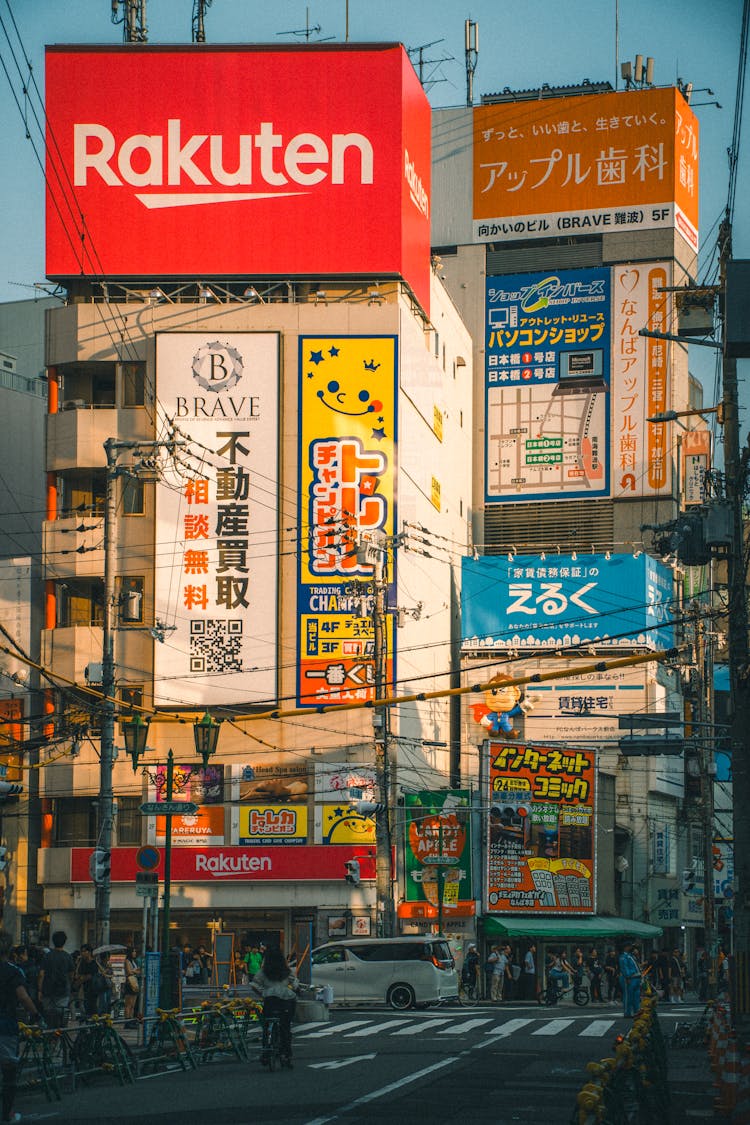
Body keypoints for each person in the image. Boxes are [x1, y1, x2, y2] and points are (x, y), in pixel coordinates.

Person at [0, 929, 42, 1124]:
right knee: (9, 1071)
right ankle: (6, 1113)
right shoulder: (13, 971)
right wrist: (35, 1015)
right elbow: (23, 997)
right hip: (5, 1024)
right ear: (9, 950)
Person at [250, 946, 299, 1066]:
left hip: (270, 1001)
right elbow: (295, 984)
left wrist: (263, 993)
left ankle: (266, 1052)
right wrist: (291, 989)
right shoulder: (287, 971)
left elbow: (254, 985)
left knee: (267, 1027)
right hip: (286, 1001)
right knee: (285, 1028)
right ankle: (286, 1054)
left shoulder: (263, 972)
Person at [38, 930, 74, 1029]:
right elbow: (71, 974)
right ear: (64, 942)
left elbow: (41, 974)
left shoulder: (47, 956)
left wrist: (40, 990)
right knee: (61, 1016)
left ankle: (50, 1038)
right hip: (63, 991)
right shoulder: (68, 957)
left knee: (49, 1016)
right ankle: (59, 1039)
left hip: (47, 991)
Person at [74, 945, 98, 1018]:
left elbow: (89, 976)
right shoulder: (82, 963)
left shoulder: (93, 963)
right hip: (84, 988)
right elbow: (77, 975)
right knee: (85, 1007)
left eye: (85, 951)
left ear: (89, 952)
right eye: (82, 951)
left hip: (93, 989)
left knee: (92, 1008)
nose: (82, 953)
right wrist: (77, 963)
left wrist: (81, 979)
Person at [618, 943, 642, 1017]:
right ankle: (627, 1012)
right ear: (626, 947)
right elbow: (624, 968)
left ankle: (636, 1011)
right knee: (628, 996)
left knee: (636, 996)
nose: (632, 948)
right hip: (630, 978)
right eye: (630, 946)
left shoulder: (631, 956)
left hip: (636, 978)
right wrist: (627, 977)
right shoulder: (623, 957)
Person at [123, 946, 140, 1024]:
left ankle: (131, 1020)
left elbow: (137, 970)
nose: (135, 953)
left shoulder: (134, 961)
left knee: (133, 1004)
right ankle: (127, 1020)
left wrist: (135, 971)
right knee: (128, 1004)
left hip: (135, 982)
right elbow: (129, 972)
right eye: (133, 951)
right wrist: (135, 971)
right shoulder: (127, 961)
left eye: (135, 951)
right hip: (129, 983)